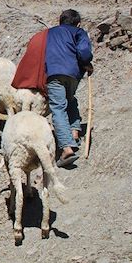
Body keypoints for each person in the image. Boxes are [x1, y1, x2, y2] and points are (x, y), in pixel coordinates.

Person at [45, 9, 93, 167]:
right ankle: (74, 132)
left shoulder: (49, 33)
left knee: (58, 108)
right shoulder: (79, 32)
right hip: (72, 73)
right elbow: (84, 52)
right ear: (77, 23)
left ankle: (66, 148)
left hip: (53, 73)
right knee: (70, 100)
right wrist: (87, 64)